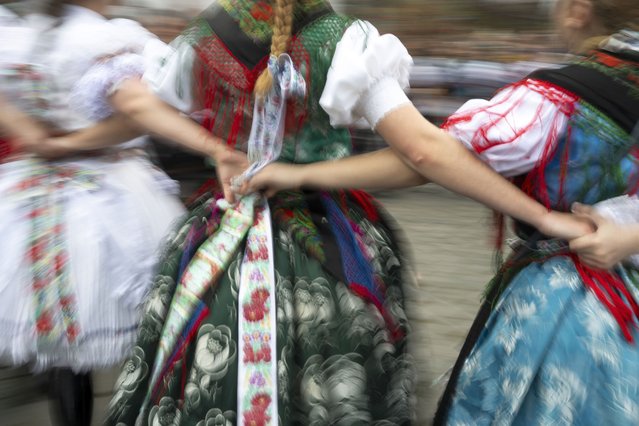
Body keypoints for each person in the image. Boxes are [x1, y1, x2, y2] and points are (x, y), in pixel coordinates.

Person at [245, 0, 639, 423]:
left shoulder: (558, 98)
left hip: (571, 304)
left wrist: (295, 175)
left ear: (578, 10)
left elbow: (425, 155)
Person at [0, 1, 188, 424]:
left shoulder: (14, 33)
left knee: (61, 348)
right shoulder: (100, 36)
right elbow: (135, 119)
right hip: (105, 192)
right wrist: (70, 143)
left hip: (32, 196)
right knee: (148, 321)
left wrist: (31, 133)